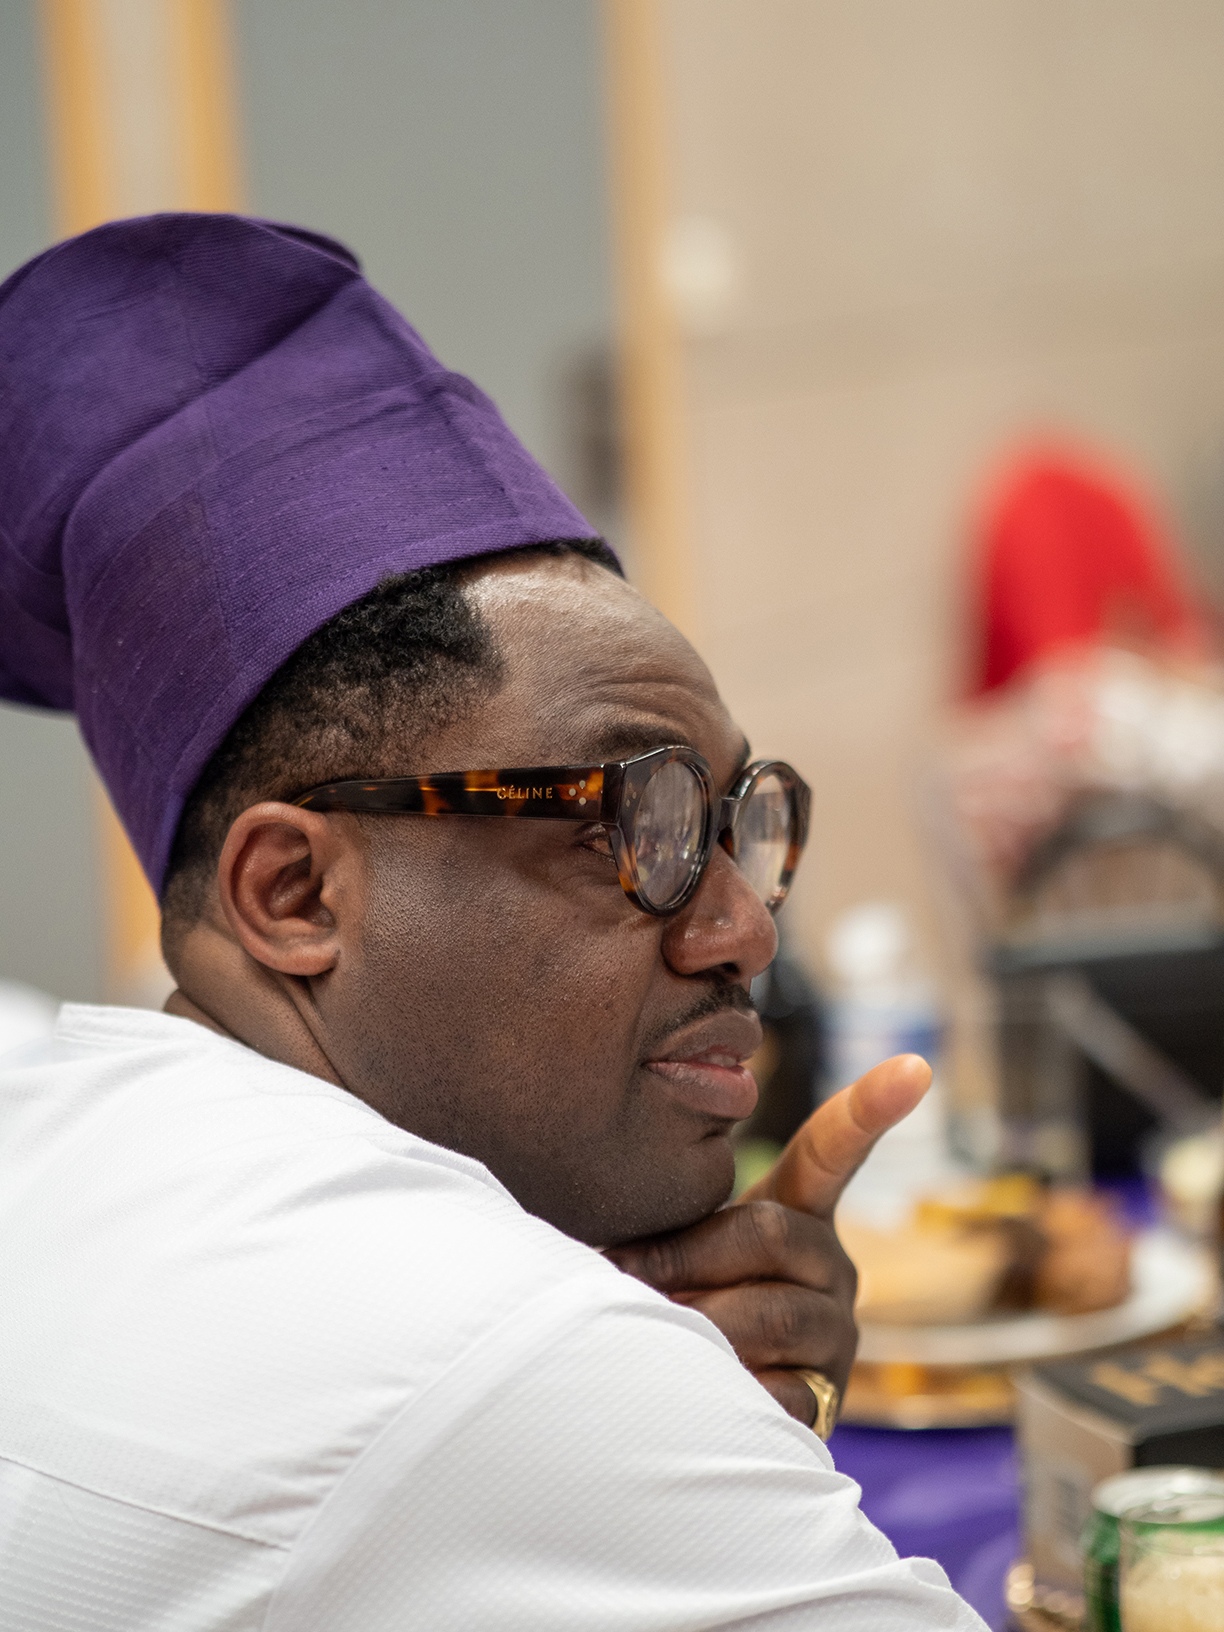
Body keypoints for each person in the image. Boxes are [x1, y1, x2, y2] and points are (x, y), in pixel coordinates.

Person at [0, 215, 985, 1630]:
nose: (744, 932)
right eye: (631, 820)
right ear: (294, 894)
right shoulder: (508, 1360)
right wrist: (658, 1401)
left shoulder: (53, 1134)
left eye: (733, 822)